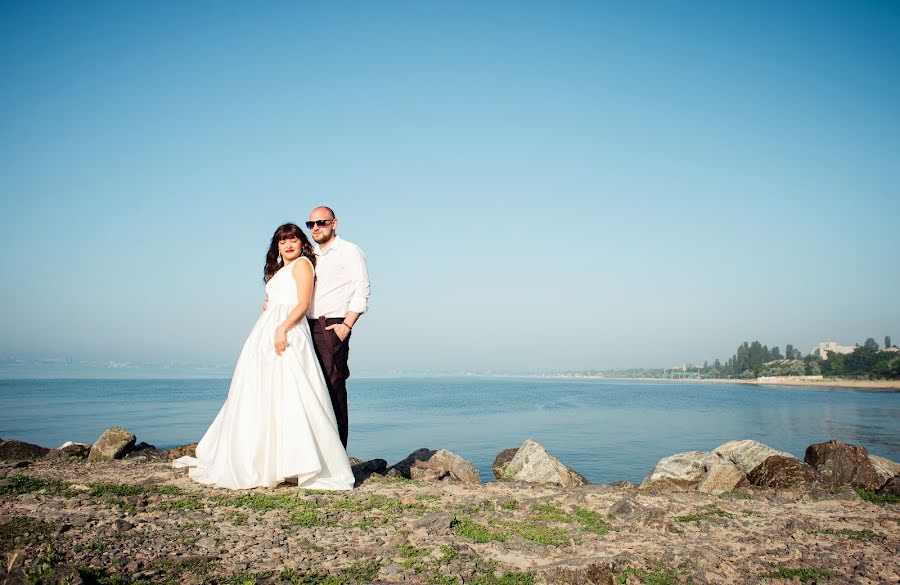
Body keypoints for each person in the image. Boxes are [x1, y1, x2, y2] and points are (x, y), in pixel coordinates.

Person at [174, 223, 354, 490]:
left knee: (292, 393)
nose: (288, 245)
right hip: (267, 331)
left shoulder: (303, 264)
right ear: (277, 247)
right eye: (283, 241)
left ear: (301, 243)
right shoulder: (279, 271)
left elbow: (303, 303)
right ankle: (267, 460)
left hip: (288, 329)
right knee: (264, 394)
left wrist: (283, 328)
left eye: (293, 239)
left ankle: (297, 461)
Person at [305, 206, 370, 449]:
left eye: (321, 222)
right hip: (305, 325)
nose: (315, 228)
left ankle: (338, 452)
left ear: (334, 223)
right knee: (311, 388)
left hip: (332, 325)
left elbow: (362, 288)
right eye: (311, 224)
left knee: (333, 387)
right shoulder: (309, 254)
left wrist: (347, 324)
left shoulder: (349, 251)